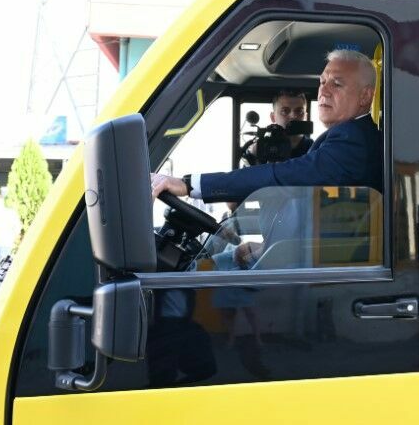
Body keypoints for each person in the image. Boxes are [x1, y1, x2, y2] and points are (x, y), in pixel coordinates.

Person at [151, 49, 383, 267]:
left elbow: (283, 177)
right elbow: (326, 220)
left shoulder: (354, 141)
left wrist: (190, 184)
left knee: (186, 285)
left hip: (308, 277)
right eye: (322, 81)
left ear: (365, 96)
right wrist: (267, 248)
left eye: (337, 83)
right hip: (296, 259)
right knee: (209, 266)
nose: (324, 90)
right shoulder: (343, 137)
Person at [243, 89, 314, 164]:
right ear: (273, 117)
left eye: (299, 111)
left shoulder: (316, 149)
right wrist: (252, 156)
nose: (293, 116)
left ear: (305, 116)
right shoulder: (263, 148)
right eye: (285, 111)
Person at [0, 195, 22, 267]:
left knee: (1, 269)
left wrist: (11, 238)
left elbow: (18, 227)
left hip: (4, 245)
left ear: (2, 202)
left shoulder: (10, 213)